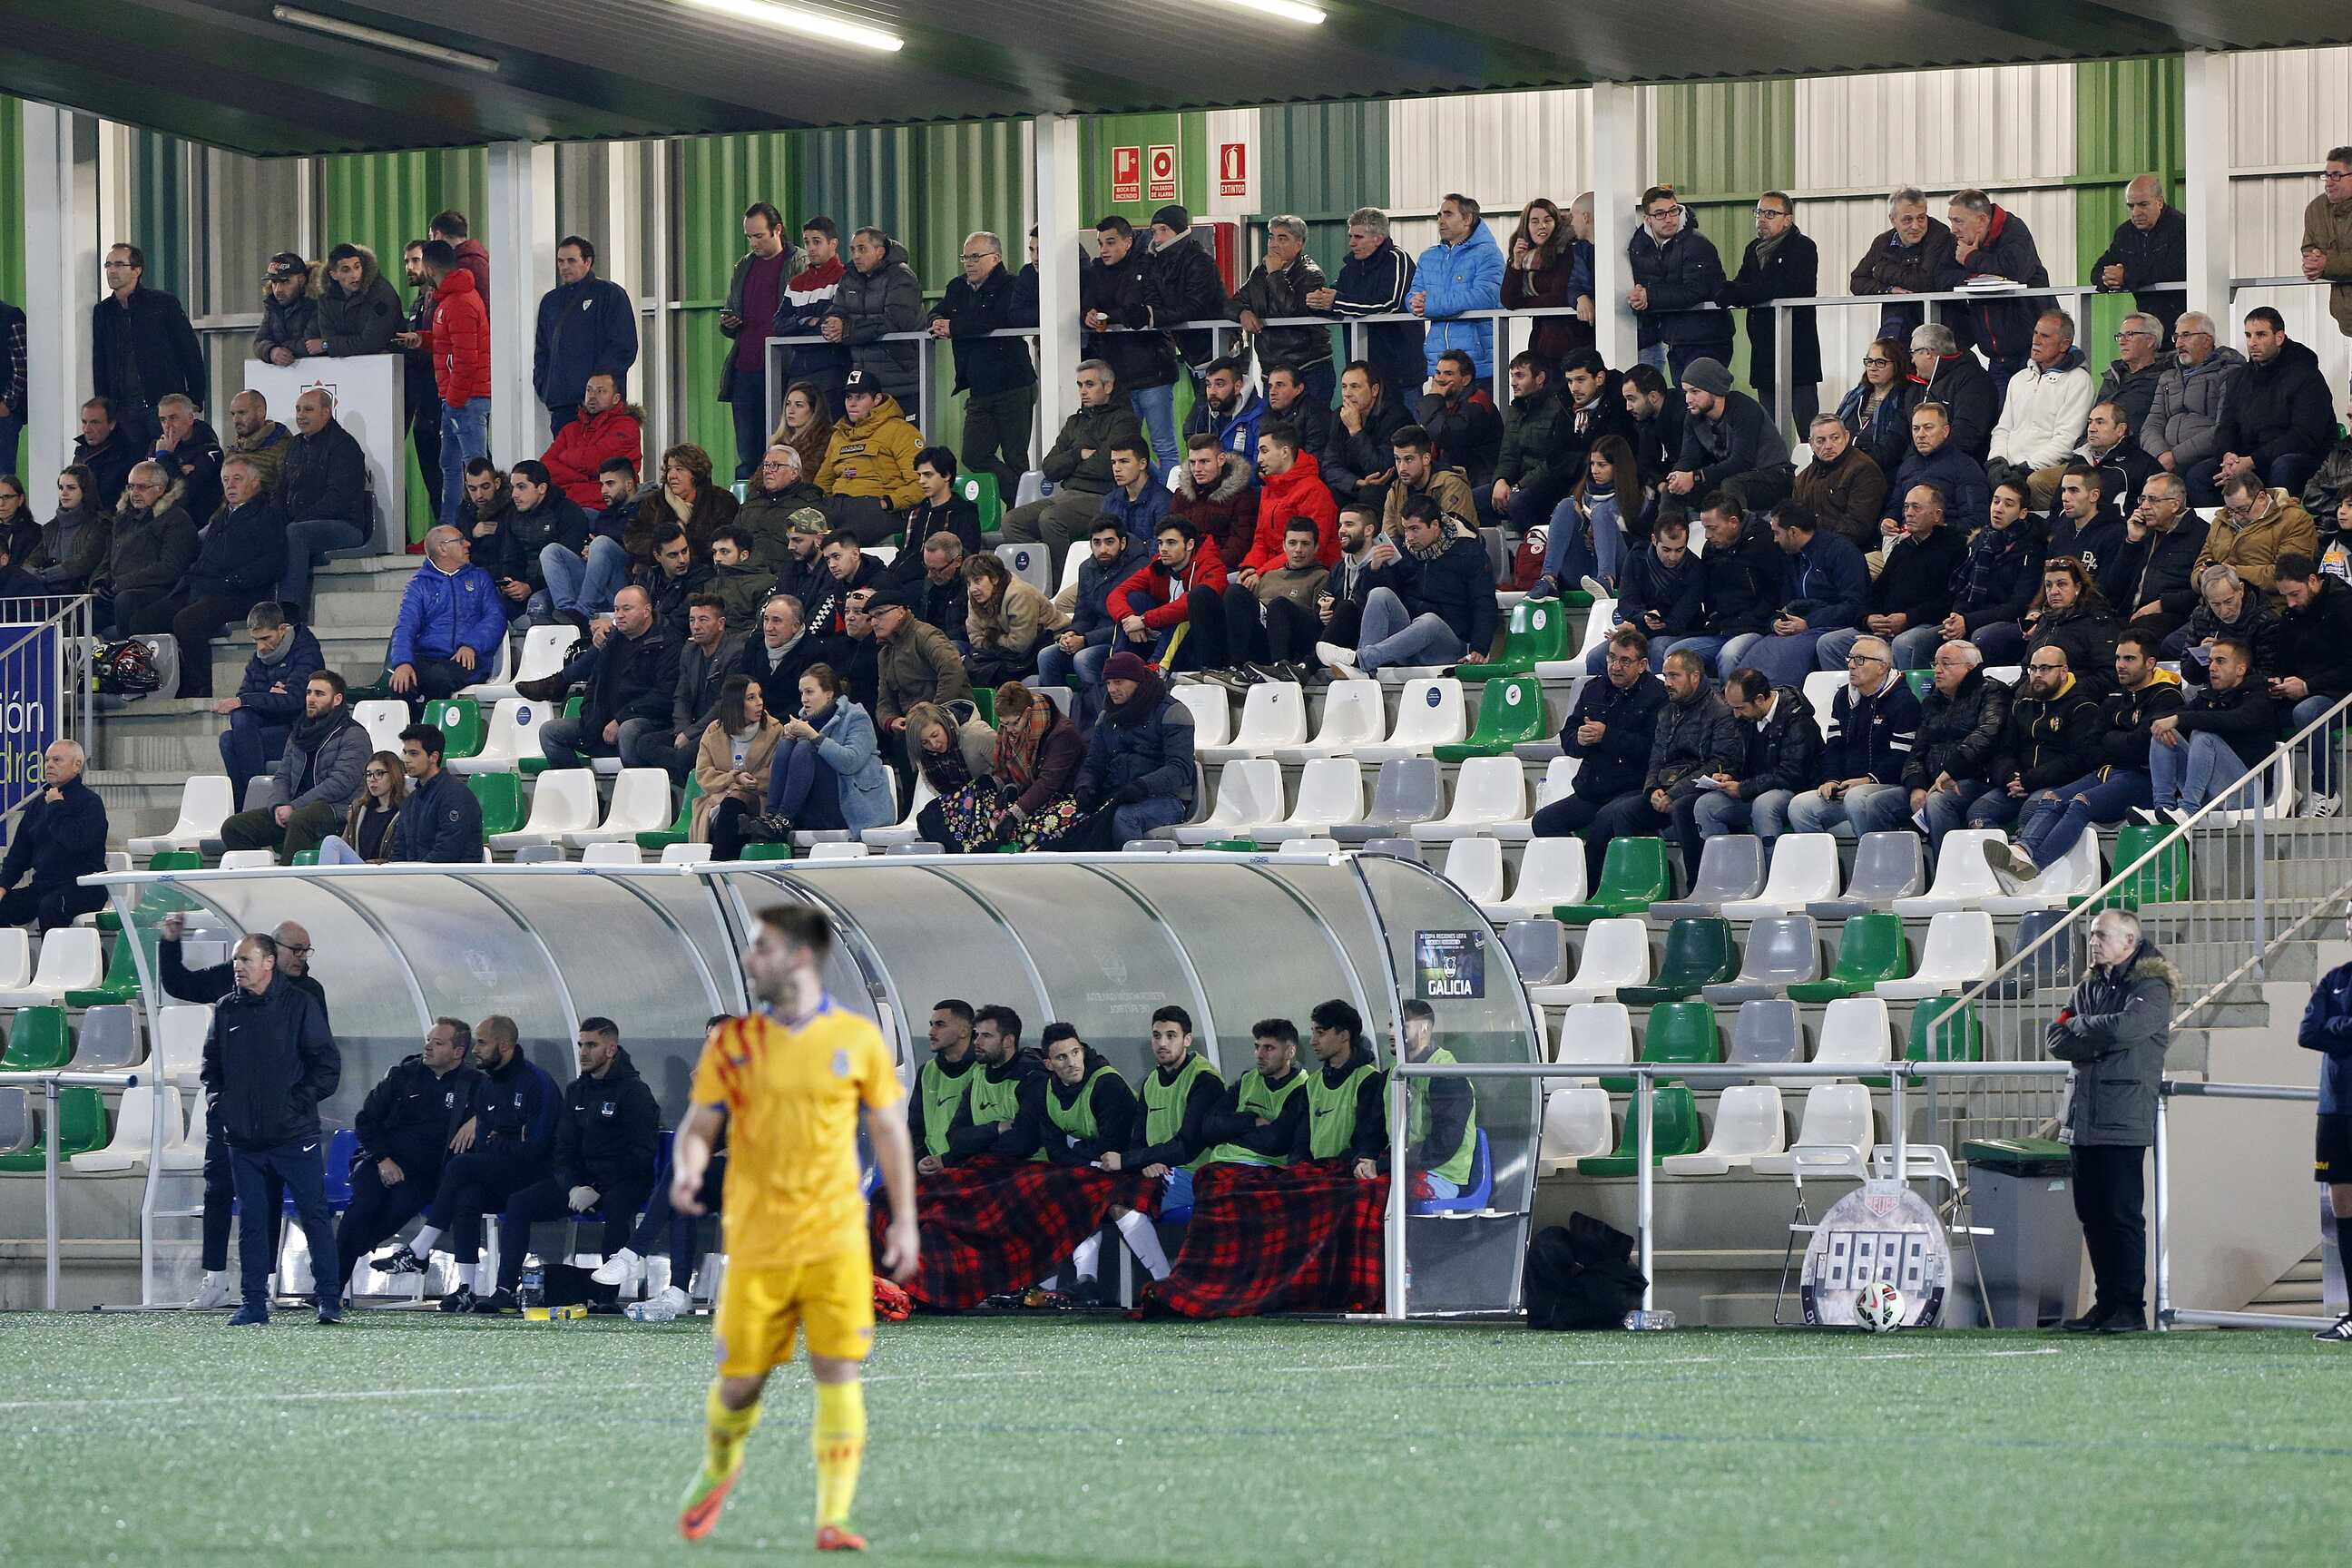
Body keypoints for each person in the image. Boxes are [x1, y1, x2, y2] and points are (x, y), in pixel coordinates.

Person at [670, 907, 914, 1551]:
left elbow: (890, 1132)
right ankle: (720, 1465)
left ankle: (834, 1518)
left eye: (762, 949)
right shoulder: (733, 1042)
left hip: (835, 1238)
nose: (749, 960)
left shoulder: (857, 1038)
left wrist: (906, 1221)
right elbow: (699, 1125)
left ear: (801, 956)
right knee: (740, 1383)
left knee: (838, 1369)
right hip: (758, 1242)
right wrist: (690, 1167)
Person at [370, 1014, 557, 1314]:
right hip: (503, 1171)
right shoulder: (488, 1086)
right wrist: (506, 1137)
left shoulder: (537, 1083)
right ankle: (467, 1289)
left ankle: (419, 1249)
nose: (475, 1050)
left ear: (504, 1045)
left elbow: (536, 1147)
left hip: (538, 1175)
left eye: (482, 1043)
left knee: (461, 1167)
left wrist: (502, 1139)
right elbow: (486, 1141)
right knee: (466, 1193)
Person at [202, 934, 341, 1327]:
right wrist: (220, 1104)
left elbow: (327, 1066)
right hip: (244, 1140)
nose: (237, 967)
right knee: (252, 1221)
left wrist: (295, 1104)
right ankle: (253, 1303)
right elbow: (211, 1066)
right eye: (236, 960)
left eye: (245, 959)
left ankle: (329, 1299)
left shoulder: (300, 1005)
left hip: (293, 1136)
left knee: (314, 1215)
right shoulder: (227, 1009)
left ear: (268, 963)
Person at [2046, 908, 2174, 1334]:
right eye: (2092, 935)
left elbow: (2125, 1030)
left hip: (2123, 1117)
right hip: (2082, 1118)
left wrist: (2082, 1028)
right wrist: (2092, 1036)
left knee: (2122, 1216)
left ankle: (2130, 1308)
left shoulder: (2151, 986)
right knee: (2093, 1216)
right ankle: (2105, 1305)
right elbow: (2055, 1038)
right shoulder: (2089, 985)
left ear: (2129, 941)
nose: (2093, 942)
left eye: (2101, 935)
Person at [479, 1018, 661, 1314]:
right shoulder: (576, 1091)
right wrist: (574, 1185)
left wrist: (598, 1188)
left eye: (592, 1045)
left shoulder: (635, 1092)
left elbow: (640, 1154)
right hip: (581, 1183)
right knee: (520, 1203)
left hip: (623, 1181)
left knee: (617, 1206)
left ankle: (605, 1298)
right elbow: (563, 1150)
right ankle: (504, 1291)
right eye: (581, 1045)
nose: (583, 1052)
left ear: (611, 1049)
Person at [1988, 631, 2180, 884]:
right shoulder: (2113, 699)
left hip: (2143, 778)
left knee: (2080, 803)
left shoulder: (2167, 696)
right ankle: (2021, 852)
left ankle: (2034, 869)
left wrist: (2111, 739)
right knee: (2051, 798)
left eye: (2129, 659)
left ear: (2150, 663)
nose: (2120, 665)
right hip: (2106, 773)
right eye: (2118, 658)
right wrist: (2120, 741)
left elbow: (2140, 747)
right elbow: (2091, 748)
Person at [333, 1018, 483, 1302]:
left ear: (458, 1052)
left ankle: (342, 1256)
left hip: (428, 1173)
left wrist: (478, 1119)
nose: (428, 1047)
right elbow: (366, 1121)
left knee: (401, 1205)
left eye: (438, 1043)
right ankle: (330, 1288)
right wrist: (383, 1159)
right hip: (382, 1161)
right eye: (428, 1040)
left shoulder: (473, 1084)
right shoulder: (402, 1075)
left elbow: (500, 1110)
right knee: (362, 1206)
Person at [124, 455, 287, 698]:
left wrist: (233, 581)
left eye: (237, 479)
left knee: (187, 621)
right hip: (203, 588)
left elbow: (274, 562)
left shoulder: (267, 515)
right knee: (143, 620)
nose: (230, 485)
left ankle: (200, 685)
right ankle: (155, 683)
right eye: (226, 480)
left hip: (240, 594)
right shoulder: (222, 517)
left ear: (255, 482)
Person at [1096, 1004, 1224, 1279]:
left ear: (1187, 1040)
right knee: (1094, 1195)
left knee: (1119, 1200)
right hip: (1158, 1172)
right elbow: (1138, 1141)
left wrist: (1128, 1161)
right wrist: (1145, 1163)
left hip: (1196, 1176)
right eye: (1157, 1036)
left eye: (1171, 1036)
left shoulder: (1205, 1081)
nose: (1162, 1043)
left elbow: (1188, 1146)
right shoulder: (1151, 1082)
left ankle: (1164, 1281)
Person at [998, 361, 1140, 586]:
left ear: (1108, 386)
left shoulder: (1123, 420)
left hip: (1102, 497)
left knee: (1051, 518)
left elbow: (1105, 468)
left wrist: (1072, 463)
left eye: (1090, 384)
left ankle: (1062, 586)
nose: (1083, 391)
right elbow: (1050, 468)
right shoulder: (1075, 422)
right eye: (1080, 385)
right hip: (1066, 495)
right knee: (1012, 521)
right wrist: (1078, 454)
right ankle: (1036, 582)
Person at [1319, 496, 1494, 679]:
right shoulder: (1403, 553)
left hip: (1449, 645)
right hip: (1407, 642)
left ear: (1435, 526)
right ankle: (1366, 671)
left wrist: (1480, 647)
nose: (1409, 537)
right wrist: (1374, 570)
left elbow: (1484, 602)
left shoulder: (1469, 552)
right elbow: (1368, 602)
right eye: (1406, 529)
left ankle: (1361, 660)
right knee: (1380, 594)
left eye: (1415, 529)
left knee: (1429, 621)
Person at [924, 230, 1037, 503]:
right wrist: (937, 320)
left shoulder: (1012, 285)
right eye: (965, 257)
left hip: (1013, 384)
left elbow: (996, 319)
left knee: (1015, 456)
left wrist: (954, 326)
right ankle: (1024, 499)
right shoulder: (957, 287)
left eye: (975, 257)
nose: (969, 263)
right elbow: (939, 310)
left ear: (995, 258)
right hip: (978, 388)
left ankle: (1021, 512)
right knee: (973, 454)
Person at [216, 670, 368, 862]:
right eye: (309, 693)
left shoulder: (353, 734)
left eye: (319, 694)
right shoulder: (299, 732)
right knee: (234, 827)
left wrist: (295, 806)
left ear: (337, 699)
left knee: (300, 819)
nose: (311, 699)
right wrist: (279, 805)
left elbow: (340, 783)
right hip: (296, 809)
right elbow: (283, 775)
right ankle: (254, 876)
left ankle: (287, 877)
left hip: (337, 810)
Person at [1676, 665, 1817, 870]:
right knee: (1706, 806)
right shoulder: (1747, 718)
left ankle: (1774, 874)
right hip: (1755, 788)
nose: (1736, 715)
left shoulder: (1797, 719)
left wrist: (1744, 788)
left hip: (1794, 791)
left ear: (1759, 699)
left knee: (1764, 804)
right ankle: (1729, 875)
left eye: (1740, 708)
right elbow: (1739, 759)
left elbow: (1794, 774)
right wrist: (1729, 775)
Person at [1536, 622, 1668, 834]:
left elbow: (1654, 749)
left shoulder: (1658, 695)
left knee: (1605, 821)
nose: (1615, 667)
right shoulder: (1594, 689)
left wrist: (1606, 736)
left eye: (1625, 661)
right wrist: (1579, 740)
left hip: (1634, 787)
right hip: (1593, 788)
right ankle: (1575, 857)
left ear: (1642, 665)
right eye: (1612, 658)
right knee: (1544, 822)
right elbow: (1568, 735)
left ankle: (1592, 857)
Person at [1818, 481, 1965, 671]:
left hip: (1925, 625)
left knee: (1903, 644)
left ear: (1937, 515)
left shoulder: (1954, 548)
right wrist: (1868, 618)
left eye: (1916, 507)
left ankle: (1902, 689)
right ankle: (1855, 689)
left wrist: (1908, 618)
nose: (1908, 513)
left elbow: (1950, 600)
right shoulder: (1902, 548)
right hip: (1886, 626)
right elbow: (1876, 592)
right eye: (1906, 507)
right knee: (1829, 644)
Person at [1785, 636, 1921, 838]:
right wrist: (1831, 779)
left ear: (1882, 667)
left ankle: (1871, 854)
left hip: (1888, 785)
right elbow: (1833, 746)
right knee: (1800, 806)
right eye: (1850, 658)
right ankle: (1825, 857)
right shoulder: (1842, 697)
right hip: (1847, 786)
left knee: (1857, 798)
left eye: (1860, 659)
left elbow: (1902, 756)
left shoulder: (1904, 701)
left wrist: (1868, 780)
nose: (1851, 665)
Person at [1962, 642, 2104, 834]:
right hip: (2017, 784)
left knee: (2029, 813)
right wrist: (2009, 777)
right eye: (2033, 668)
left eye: (2045, 669)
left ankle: (2022, 851)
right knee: (1978, 813)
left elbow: (2078, 760)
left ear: (2063, 671)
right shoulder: (2020, 706)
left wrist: (2030, 780)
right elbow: (2003, 751)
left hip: (2059, 784)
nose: (2037, 674)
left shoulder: (2083, 707)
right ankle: (2001, 852)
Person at [399, 239, 491, 533]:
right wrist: (422, 339)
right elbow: (450, 342)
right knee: (450, 466)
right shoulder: (447, 301)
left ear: (429, 267)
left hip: (466, 400)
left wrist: (453, 401)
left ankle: (484, 528)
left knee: (475, 468)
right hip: (456, 399)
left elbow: (466, 359)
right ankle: (450, 528)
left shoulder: (460, 302)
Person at [2201, 308, 2334, 502]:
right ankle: (2228, 521)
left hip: (2300, 458)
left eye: (2261, 335)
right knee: (2199, 476)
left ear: (2279, 338)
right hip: (2250, 458)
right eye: (2248, 335)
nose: (2252, 343)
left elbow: (2304, 437)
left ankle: (2278, 521)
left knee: (2284, 466)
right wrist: (2227, 456)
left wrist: (2253, 461)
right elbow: (2226, 426)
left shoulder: (2306, 376)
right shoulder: (2239, 377)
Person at [1726, 502, 1866, 686]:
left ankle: (1775, 700)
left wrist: (1809, 623)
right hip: (1793, 628)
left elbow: (1854, 604)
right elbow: (1780, 600)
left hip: (1829, 626)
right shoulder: (1788, 557)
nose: (1775, 540)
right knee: (1752, 661)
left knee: (1778, 664)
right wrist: (1775, 622)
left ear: (1792, 532)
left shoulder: (1842, 552)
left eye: (1777, 533)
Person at [541, 583, 677, 769]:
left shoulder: (668, 643)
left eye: (626, 609)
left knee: (628, 730)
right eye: (616, 609)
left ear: (646, 611)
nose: (619, 615)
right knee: (550, 732)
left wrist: (620, 719)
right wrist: (591, 718)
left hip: (649, 726)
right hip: (606, 726)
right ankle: (578, 786)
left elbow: (664, 696)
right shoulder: (611, 640)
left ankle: (638, 786)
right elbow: (594, 684)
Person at [2143, 634, 2276, 818]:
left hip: (2249, 793)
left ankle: (2188, 810)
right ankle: (2163, 808)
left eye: (2220, 661)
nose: (2212, 667)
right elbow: (2176, 713)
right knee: (2163, 734)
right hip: (2212, 790)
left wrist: (2179, 719)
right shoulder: (2209, 696)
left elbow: (2235, 719)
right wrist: (2157, 721)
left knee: (2204, 737)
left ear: (2240, 669)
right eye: (2210, 661)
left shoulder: (2258, 697)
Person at [760, 663, 895, 840]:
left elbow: (850, 762)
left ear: (829, 694)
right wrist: (790, 737)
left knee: (805, 748)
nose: (804, 699)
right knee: (786, 744)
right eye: (801, 693)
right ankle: (772, 817)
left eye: (809, 692)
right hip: (811, 804)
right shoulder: (803, 722)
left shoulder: (856, 717)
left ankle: (783, 820)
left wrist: (814, 736)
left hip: (849, 805)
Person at [93, 241, 204, 455]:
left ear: (137, 270)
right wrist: (104, 407)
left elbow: (189, 352)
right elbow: (100, 361)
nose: (112, 271)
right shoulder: (103, 311)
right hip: (123, 408)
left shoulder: (163, 303)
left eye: (119, 265)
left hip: (162, 405)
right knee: (132, 465)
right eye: (108, 265)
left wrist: (195, 397)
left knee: (168, 460)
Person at [1722, 190, 1822, 428]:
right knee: (1768, 425)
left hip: (1797, 347)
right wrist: (1734, 290)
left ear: (1788, 219)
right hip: (1764, 348)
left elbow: (1785, 287)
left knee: (1807, 424)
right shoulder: (1753, 249)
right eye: (1759, 213)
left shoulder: (1803, 247)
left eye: (1770, 214)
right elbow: (1743, 284)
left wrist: (1740, 292)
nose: (1762, 219)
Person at [2298, 906, 2352, 1344]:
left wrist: (2335, 1026)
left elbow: (2324, 1030)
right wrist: (2342, 1025)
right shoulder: (2335, 978)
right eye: (2350, 916)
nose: (2351, 923)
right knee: (2343, 1207)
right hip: (2335, 1110)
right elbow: (2308, 1033)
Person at [1075, 651, 1197, 844]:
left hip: (1166, 799)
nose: (1111, 689)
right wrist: (1085, 786)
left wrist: (1142, 786)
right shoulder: (1106, 717)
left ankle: (1132, 862)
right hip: (1116, 794)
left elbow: (1180, 769)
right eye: (1108, 683)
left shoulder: (1172, 712)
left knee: (1124, 817)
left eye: (1118, 682)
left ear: (1137, 681)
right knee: (1069, 819)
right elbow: (1094, 763)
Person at [715, 203, 799, 479]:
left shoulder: (797, 263)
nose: (753, 243)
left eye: (759, 236)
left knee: (784, 445)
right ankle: (748, 497)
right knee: (748, 452)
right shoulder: (744, 266)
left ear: (778, 230)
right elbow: (731, 308)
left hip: (783, 367)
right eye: (749, 237)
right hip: (746, 368)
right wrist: (728, 322)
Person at [1940, 189, 2052, 396]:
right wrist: (1976, 274)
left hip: (2030, 351)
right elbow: (1942, 277)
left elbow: (2016, 270)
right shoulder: (1958, 240)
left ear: (1982, 220)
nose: (1953, 229)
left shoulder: (2014, 230)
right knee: (2000, 413)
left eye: (1959, 221)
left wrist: (1971, 259)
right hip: (1996, 355)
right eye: (1951, 221)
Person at [213, 603, 323, 808]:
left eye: (266, 638)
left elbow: (296, 700)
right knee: (231, 733)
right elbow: (244, 696)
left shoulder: (306, 651)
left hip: (299, 731)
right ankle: (249, 803)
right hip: (267, 728)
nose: (261, 647)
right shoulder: (259, 658)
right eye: (256, 640)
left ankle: (253, 804)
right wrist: (269, 695)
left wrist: (255, 699)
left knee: (232, 739)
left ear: (282, 629)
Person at [274, 388, 372, 616]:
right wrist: (276, 518)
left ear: (326, 413)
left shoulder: (345, 446)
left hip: (345, 525)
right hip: (301, 523)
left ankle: (289, 610)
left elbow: (338, 499)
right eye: (298, 409)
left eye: (308, 409)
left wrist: (296, 520)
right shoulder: (294, 445)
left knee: (295, 533)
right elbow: (280, 490)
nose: (300, 415)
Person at [1201, 517, 1330, 689]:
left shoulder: (1323, 577)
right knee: (1225, 593)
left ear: (1316, 547)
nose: (1298, 550)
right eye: (1292, 543)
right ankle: (1229, 667)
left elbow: (1317, 623)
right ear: (1284, 546)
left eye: (1305, 544)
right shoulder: (1269, 576)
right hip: (1261, 641)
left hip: (1294, 643)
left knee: (1278, 605)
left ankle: (1280, 669)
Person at [1659, 495, 1778, 676]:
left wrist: (1749, 620)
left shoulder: (1765, 543)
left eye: (1712, 528)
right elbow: (1708, 596)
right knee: (1674, 655)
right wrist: (1714, 617)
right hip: (1722, 629)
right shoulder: (1710, 550)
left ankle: (1729, 695)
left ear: (1733, 522)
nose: (1707, 535)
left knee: (1729, 655)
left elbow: (1774, 594)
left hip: (1756, 627)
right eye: (1705, 528)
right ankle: (1702, 694)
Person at [385, 525, 505, 704]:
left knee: (439, 677)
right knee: (400, 683)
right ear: (442, 549)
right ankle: (414, 723)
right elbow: (405, 627)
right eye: (460, 541)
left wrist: (471, 645)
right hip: (427, 657)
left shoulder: (480, 578)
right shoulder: (418, 585)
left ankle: (432, 722)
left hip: (469, 658)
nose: (468, 544)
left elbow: (496, 617)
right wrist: (403, 663)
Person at [1624, 184, 1732, 379]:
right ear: (1647, 219)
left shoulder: (1697, 244)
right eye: (1660, 214)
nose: (1669, 218)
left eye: (1673, 211)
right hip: (1675, 338)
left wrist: (1649, 296)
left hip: (1708, 338)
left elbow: (1695, 290)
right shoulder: (1640, 246)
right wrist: (1640, 297)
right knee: (1685, 394)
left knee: (1701, 393)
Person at [2273, 554, 2352, 817]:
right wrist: (2277, 680)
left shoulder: (2345, 606)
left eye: (2295, 594)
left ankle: (2325, 793)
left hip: (2343, 693)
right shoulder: (2292, 615)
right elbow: (2283, 661)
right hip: (2308, 691)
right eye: (2285, 596)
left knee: (2308, 712)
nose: (2290, 603)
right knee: (2256, 708)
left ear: (2313, 580)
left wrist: (2308, 686)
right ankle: (2276, 789)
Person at [1989, 310, 2096, 505]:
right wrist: (1996, 461)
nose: (2036, 341)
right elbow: (2003, 429)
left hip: (2040, 471)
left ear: (2064, 345)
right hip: (2009, 469)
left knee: (2034, 483)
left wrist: (2025, 468)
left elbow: (2066, 441)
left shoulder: (2079, 381)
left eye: (2045, 336)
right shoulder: (2019, 379)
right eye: (2035, 333)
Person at [534, 235, 637, 434]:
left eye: (571, 260)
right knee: (564, 453)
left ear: (587, 262)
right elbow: (542, 348)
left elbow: (624, 346)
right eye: (560, 261)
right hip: (562, 406)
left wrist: (596, 388)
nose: (564, 266)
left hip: (600, 409)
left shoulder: (610, 294)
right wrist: (544, 386)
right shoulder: (550, 302)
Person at [0, 740, 105, 932]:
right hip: (44, 886)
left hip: (83, 887)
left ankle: (60, 953)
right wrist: (3, 886)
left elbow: (76, 842)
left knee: (50, 906)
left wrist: (56, 806)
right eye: (47, 760)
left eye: (57, 760)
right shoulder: (37, 804)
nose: (49, 765)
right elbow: (19, 855)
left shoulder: (90, 803)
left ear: (77, 765)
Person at [2141, 311, 2245, 503]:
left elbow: (2223, 428)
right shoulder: (2167, 377)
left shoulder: (2230, 374)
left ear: (2207, 340)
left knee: (2195, 476)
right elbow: (2152, 424)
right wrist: (2161, 454)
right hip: (2165, 457)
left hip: (2205, 456)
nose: (2178, 344)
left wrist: (2175, 456)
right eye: (2177, 337)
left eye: (2186, 336)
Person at [1324, 208, 1425, 407]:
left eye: (1358, 237)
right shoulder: (1349, 269)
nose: (1351, 243)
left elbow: (1390, 303)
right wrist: (1318, 302)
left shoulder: (1398, 260)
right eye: (1351, 236)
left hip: (1400, 374)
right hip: (1364, 376)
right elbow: (1336, 298)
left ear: (1378, 238)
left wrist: (1336, 302)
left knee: (1408, 426)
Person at [1667, 357, 1792, 514]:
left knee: (1731, 485)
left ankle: (1740, 529)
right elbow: (1688, 458)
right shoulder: (1693, 416)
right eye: (1686, 392)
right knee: (1672, 490)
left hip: (1774, 476)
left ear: (1715, 390)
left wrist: (1695, 477)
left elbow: (1741, 462)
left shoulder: (1744, 408)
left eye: (1695, 392)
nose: (1688, 399)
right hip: (1734, 477)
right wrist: (1677, 476)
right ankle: (1669, 529)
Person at [1532, 432, 1648, 600]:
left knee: (1601, 511)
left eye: (1602, 465)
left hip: (1620, 568)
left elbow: (1642, 547)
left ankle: (1606, 580)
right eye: (1592, 464)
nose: (1594, 470)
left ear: (1618, 467)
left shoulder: (1639, 497)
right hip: (1583, 567)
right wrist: (1584, 530)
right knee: (1566, 505)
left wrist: (1602, 529)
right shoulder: (1580, 494)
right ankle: (1548, 579)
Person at [1582, 510, 1698, 672]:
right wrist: (1643, 617)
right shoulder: (1637, 557)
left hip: (1680, 633)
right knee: (1595, 658)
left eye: (1679, 550)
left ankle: (1660, 690)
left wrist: (1638, 628)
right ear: (1654, 540)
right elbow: (1626, 602)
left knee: (1658, 649)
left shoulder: (1696, 569)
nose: (1673, 557)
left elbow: (1679, 621)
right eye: (1666, 549)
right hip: (1640, 627)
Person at [1412, 193, 1504, 382]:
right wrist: (1415, 303)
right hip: (1439, 364)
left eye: (1448, 214)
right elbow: (1413, 294)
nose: (1441, 220)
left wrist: (1431, 305)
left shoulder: (1488, 253)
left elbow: (1485, 296)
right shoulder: (1428, 257)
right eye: (1439, 215)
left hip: (1477, 365)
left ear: (1467, 219)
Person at [693, 674, 786, 858]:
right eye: (751, 698)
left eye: (760, 696)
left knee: (734, 803)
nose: (760, 702)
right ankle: (724, 865)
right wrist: (734, 778)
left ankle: (718, 864)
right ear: (735, 704)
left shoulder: (775, 730)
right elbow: (703, 774)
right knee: (731, 811)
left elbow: (776, 773)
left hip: (758, 799)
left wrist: (748, 783)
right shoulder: (713, 731)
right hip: (718, 799)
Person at [1848, 185, 1958, 340]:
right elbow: (1857, 281)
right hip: (1896, 325)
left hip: (1938, 328)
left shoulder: (1941, 237)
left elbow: (1925, 282)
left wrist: (1882, 270)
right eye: (1907, 220)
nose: (1915, 226)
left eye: (1921, 218)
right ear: (1892, 219)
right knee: (1884, 352)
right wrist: (1888, 289)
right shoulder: (1882, 242)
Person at [2192, 468, 2320, 602]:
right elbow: (2198, 568)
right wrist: (2203, 577)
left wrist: (2234, 574)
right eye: (2231, 510)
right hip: (2216, 605)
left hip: (2269, 606)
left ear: (2261, 498)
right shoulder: (2220, 521)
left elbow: (2290, 575)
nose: (2237, 516)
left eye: (2242, 509)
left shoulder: (2294, 520)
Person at [1295, 999, 1388, 1175]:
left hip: (1346, 1173)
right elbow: (1301, 1142)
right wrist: (1301, 1169)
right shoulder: (1312, 1082)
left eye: (1320, 1033)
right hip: (1315, 1171)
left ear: (1344, 1036)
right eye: (1312, 1033)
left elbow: (1367, 1142)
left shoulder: (1370, 1080)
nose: (1313, 1041)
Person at [1500, 196, 1592, 374]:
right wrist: (1516, 264)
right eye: (1535, 221)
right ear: (1526, 226)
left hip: (1571, 340)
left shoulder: (1567, 251)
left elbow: (1559, 296)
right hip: (1541, 342)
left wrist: (1524, 304)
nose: (1541, 226)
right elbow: (1508, 300)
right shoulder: (1525, 257)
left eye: (1547, 220)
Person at [2092, 177, 2188, 346]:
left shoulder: (2182, 227)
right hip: (2148, 331)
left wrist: (2126, 277)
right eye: (2131, 206)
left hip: (2181, 328)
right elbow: (2097, 270)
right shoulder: (2125, 233)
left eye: (2143, 205)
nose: (2136, 212)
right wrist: (2107, 279)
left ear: (2159, 202)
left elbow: (2174, 270)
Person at [373, 723, 485, 864]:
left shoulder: (455, 796)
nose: (405, 759)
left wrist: (413, 873)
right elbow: (399, 851)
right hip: (420, 874)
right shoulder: (410, 801)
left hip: (452, 876)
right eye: (405, 752)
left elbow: (447, 852)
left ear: (434, 757)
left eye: (413, 753)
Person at [1881, 400, 1990, 538]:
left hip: (1946, 544)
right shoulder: (1907, 466)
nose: (1920, 434)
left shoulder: (1966, 467)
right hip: (1904, 541)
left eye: (1928, 428)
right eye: (1916, 428)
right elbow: (1895, 506)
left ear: (1945, 431)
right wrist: (1888, 521)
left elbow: (1976, 521)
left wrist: (1936, 532)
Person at [542, 370, 643, 512]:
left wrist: (565, 457)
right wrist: (584, 477)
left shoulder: (627, 426)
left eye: (601, 391)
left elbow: (596, 463)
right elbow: (545, 467)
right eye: (589, 390)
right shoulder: (571, 429)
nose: (592, 396)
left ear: (616, 399)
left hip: (608, 507)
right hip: (569, 503)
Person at [963, 552, 1063, 686]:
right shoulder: (975, 598)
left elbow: (1020, 644)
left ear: (994, 578)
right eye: (969, 583)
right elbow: (975, 637)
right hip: (1006, 655)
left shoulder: (1020, 594)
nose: (972, 589)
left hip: (1049, 643)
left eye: (977, 581)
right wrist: (996, 640)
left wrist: (991, 637)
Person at [397, 241, 446, 520]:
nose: (410, 267)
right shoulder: (419, 303)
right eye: (407, 261)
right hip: (421, 403)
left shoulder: (443, 301)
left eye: (416, 261)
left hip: (440, 400)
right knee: (431, 476)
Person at [1326, 360, 1415, 508]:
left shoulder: (1396, 417)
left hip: (1390, 488)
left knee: (1370, 493)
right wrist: (1357, 482)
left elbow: (1382, 470)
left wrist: (1355, 430)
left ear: (1374, 390)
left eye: (1355, 386)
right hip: (1357, 484)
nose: (1347, 394)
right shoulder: (1339, 415)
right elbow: (1329, 465)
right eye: (1344, 387)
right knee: (1328, 491)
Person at [1415, 351, 1503, 500]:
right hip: (1455, 476)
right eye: (1438, 373)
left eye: (1448, 374)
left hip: (1478, 480)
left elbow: (1446, 435)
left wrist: (1432, 399)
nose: (1440, 379)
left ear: (1466, 380)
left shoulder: (1477, 404)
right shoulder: (1444, 404)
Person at [1906, 323, 1996, 465]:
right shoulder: (1916, 386)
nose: (1912, 360)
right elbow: (1904, 433)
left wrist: (1929, 463)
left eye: (1913, 352)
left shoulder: (1973, 380)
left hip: (1960, 466)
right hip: (1919, 464)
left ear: (1928, 353)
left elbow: (1966, 434)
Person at [1171, 431, 1259, 570]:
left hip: (1221, 569)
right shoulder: (1182, 495)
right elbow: (1170, 533)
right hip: (1183, 567)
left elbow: (1240, 544)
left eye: (1204, 462)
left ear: (1221, 460)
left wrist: (1203, 566)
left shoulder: (1243, 496)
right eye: (1192, 462)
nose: (1197, 469)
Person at [1835, 337, 1916, 480]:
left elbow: (1891, 447)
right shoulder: (1854, 396)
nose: (1872, 368)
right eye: (1869, 361)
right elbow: (1834, 429)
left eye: (1880, 362)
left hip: (1878, 473)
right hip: (1842, 467)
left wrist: (1853, 467)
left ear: (1897, 365)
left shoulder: (1904, 400)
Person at [1379, 422, 1477, 539]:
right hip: (1410, 549)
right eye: (1397, 459)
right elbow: (1388, 540)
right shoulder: (1396, 490)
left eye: (1408, 459)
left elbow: (1456, 538)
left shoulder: (1452, 485)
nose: (1401, 468)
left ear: (1426, 458)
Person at [312, 240, 405, 358]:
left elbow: (372, 343)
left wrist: (328, 345)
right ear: (334, 275)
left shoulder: (381, 293)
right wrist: (332, 345)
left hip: (390, 364)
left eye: (357, 267)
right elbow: (329, 338)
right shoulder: (326, 299)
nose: (354, 275)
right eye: (346, 270)